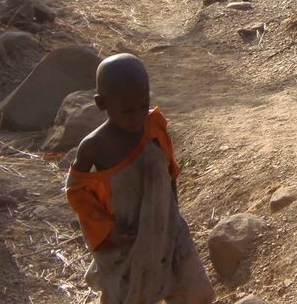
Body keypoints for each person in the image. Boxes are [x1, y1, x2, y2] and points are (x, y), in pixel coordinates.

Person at [65, 54, 214, 304]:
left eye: (143, 105)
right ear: (102, 104)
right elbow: (76, 193)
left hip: (169, 228)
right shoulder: (94, 146)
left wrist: (173, 213)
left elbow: (170, 170)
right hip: (128, 239)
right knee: (129, 296)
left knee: (194, 292)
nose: (137, 116)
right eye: (127, 110)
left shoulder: (154, 125)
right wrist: (108, 230)